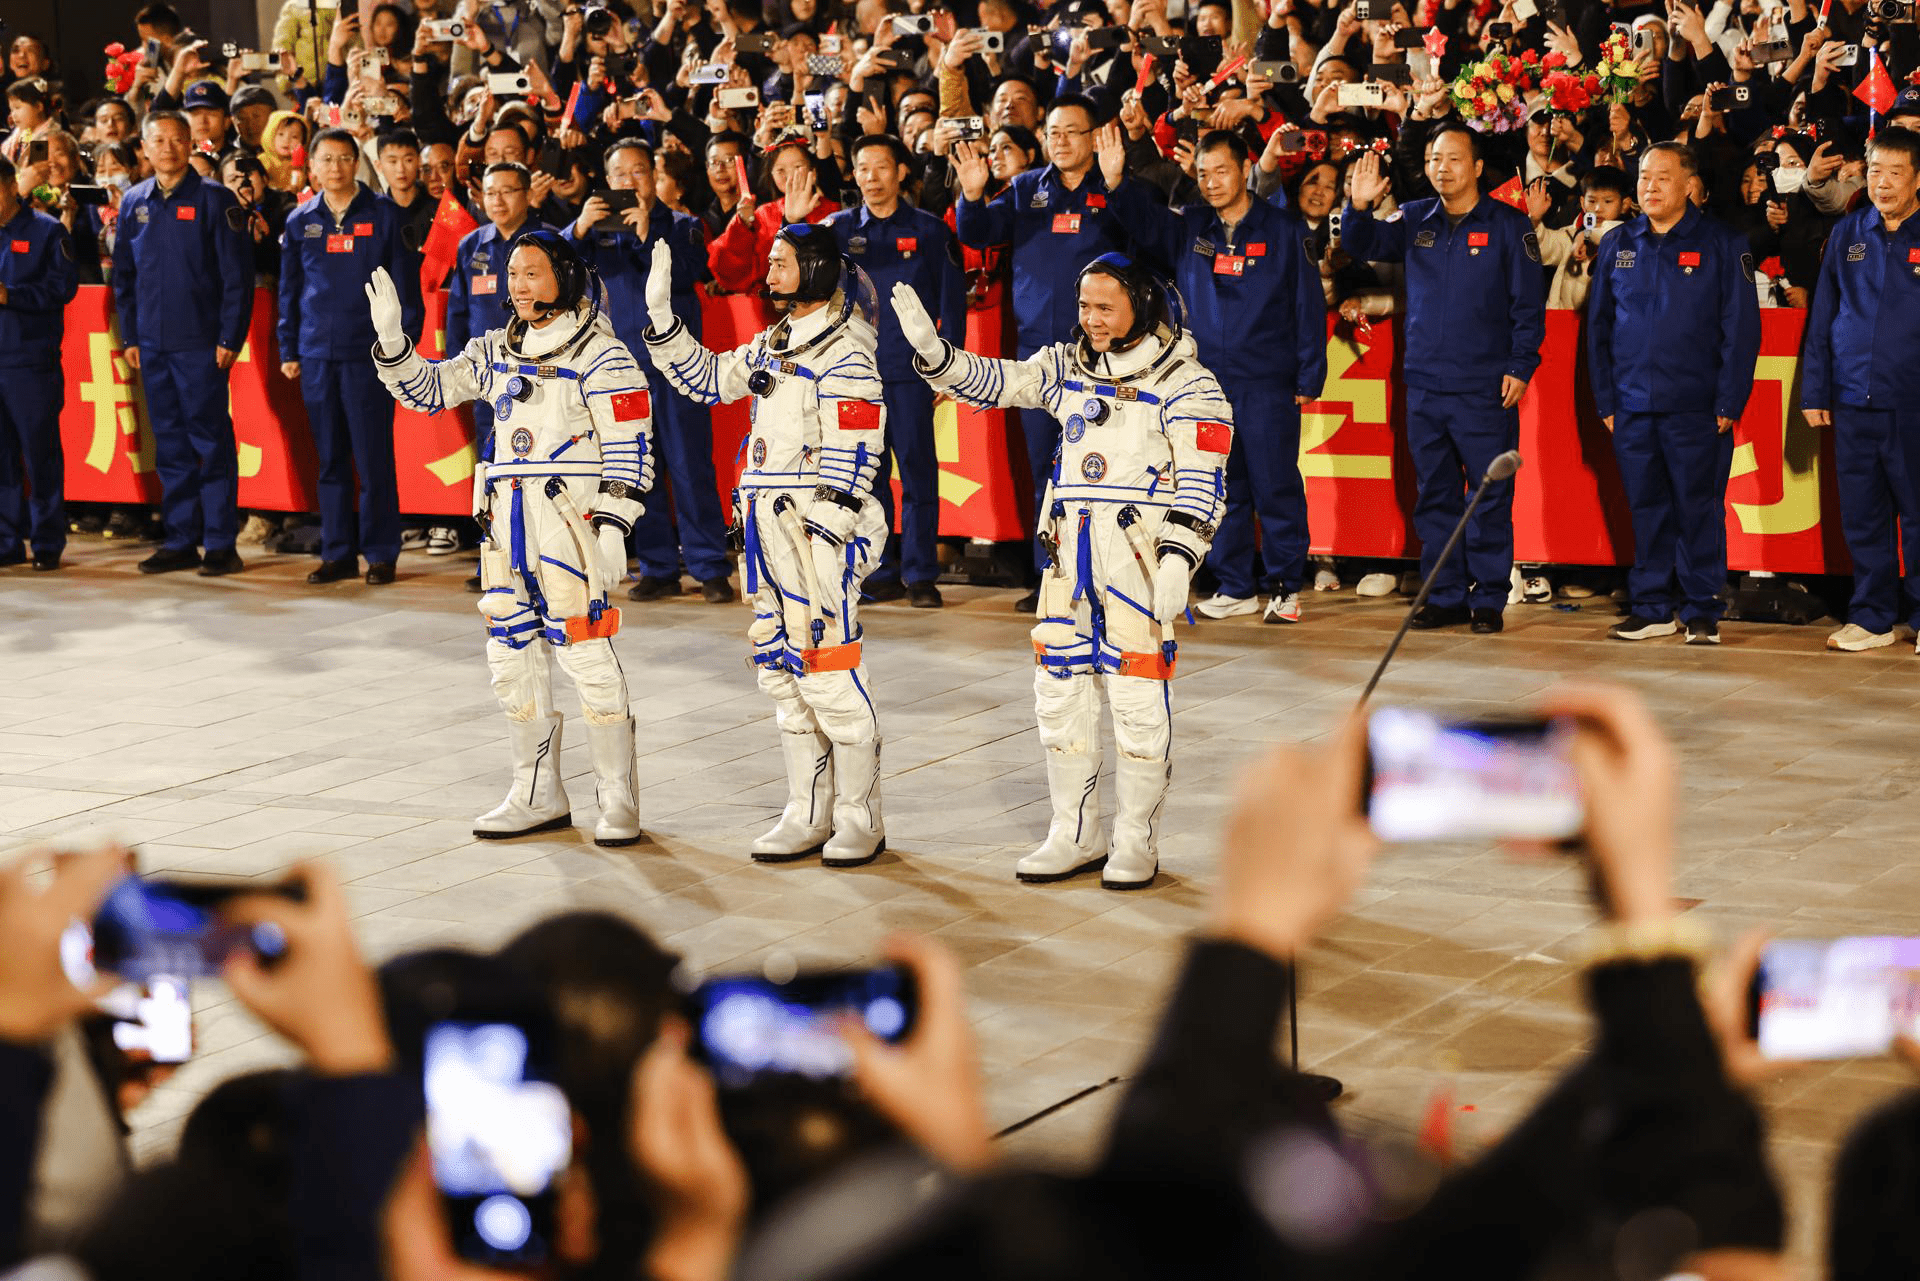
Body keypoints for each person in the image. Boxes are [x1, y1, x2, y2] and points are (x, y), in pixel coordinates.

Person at [891, 254, 1233, 890]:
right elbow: (999, 382)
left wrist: (1179, 558)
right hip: (1067, 559)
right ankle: (1073, 832)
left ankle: (1136, 840)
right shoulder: (1066, 367)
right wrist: (936, 353)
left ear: (1145, 306)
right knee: (1060, 697)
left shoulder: (1188, 384)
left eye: (1106, 307)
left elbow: (1205, 481)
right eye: (1084, 306)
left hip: (1136, 561)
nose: (1092, 320)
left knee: (1136, 702)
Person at [367, 231, 654, 846]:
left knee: (585, 652)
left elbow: (632, 448)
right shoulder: (493, 349)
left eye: (532, 273)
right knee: (511, 653)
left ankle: (617, 797)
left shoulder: (604, 355)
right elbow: (431, 390)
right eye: (512, 274)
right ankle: (535, 790)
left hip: (570, 521)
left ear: (566, 278)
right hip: (505, 519)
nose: (518, 286)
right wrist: (394, 344)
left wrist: (613, 525)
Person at [644, 226, 890, 869]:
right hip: (767, 529)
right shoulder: (772, 344)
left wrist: (831, 534)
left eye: (781, 262)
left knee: (830, 666)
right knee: (782, 669)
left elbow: (856, 452)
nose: (770, 270)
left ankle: (859, 815)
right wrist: (664, 321)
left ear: (814, 269)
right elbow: (707, 380)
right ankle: (806, 809)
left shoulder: (847, 353)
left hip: (819, 529)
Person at [1107, 128, 1328, 625]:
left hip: (1267, 380)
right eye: (1202, 173)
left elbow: (1308, 306)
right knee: (1217, 484)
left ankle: (1286, 587)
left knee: (1276, 485)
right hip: (1205, 384)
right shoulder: (1192, 226)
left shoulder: (1284, 230)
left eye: (1221, 171)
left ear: (1246, 170)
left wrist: (1308, 375)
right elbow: (1141, 220)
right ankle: (1235, 585)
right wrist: (1117, 180)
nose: (1210, 182)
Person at [1342, 123, 1547, 634]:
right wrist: (1359, 205)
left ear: (1477, 167)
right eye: (1434, 159)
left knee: (1487, 495)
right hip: (1425, 387)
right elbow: (1361, 242)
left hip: (1484, 388)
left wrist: (1520, 365)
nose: (1441, 168)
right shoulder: (1414, 219)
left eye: (1453, 159)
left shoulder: (1508, 225)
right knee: (1435, 495)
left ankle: (1489, 598)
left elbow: (1528, 305)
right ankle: (1446, 594)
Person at [952, 94, 1141, 613]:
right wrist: (971, 197)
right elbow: (978, 232)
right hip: (1040, 358)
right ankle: (1051, 578)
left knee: (1108, 469)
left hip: (1106, 356)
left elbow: (1150, 241)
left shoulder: (1113, 186)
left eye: (1071, 132)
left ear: (1095, 138)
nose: (1059, 141)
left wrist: (1120, 183)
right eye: (1052, 132)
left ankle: (1111, 578)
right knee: (1047, 472)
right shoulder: (1024, 189)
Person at [1587, 143, 1760, 648]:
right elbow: (1597, 331)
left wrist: (1728, 401)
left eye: (1663, 177)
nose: (1650, 187)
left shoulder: (1723, 243)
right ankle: (1652, 607)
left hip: (1698, 408)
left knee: (1698, 509)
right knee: (1647, 508)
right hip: (1633, 408)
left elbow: (1741, 330)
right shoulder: (1619, 242)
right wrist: (1607, 402)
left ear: (1689, 185)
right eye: (1644, 177)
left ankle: (1702, 609)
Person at [565, 138, 736, 605]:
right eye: (620, 174)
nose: (630, 181)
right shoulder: (596, 231)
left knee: (689, 466)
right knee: (636, 471)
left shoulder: (682, 225)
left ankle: (709, 566)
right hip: (618, 374)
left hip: (674, 370)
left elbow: (693, 270)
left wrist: (644, 239)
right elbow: (558, 267)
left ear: (654, 176)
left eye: (639, 171)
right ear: (607, 181)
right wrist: (578, 228)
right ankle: (658, 565)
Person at [824, 134, 966, 609]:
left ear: (901, 171)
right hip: (856, 374)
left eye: (881, 167)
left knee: (919, 471)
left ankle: (922, 573)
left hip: (910, 373)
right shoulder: (838, 230)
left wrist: (951, 366)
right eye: (862, 168)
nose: (871, 177)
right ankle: (880, 569)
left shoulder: (929, 229)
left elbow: (952, 301)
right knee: (870, 473)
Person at [111, 109, 254, 577]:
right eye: (159, 141)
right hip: (152, 346)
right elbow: (124, 279)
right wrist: (130, 336)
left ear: (190, 144)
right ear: (146, 149)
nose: (168, 148)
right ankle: (180, 539)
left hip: (202, 344)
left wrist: (230, 335)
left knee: (210, 440)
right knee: (169, 443)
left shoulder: (215, 199)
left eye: (178, 140)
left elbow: (237, 277)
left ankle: (219, 543)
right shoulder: (134, 202)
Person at [279, 127, 423, 586]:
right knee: (330, 459)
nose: (336, 168)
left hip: (370, 357)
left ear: (356, 164)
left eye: (345, 159)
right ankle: (337, 551)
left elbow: (406, 291)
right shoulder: (300, 220)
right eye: (327, 159)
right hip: (317, 354)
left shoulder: (384, 215)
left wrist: (400, 351)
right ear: (313, 166)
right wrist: (289, 347)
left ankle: (381, 553)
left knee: (373, 457)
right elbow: (290, 291)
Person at [1802, 125, 1920, 655]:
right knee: (1864, 514)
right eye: (1875, 171)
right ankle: (1872, 616)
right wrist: (1815, 391)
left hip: (1912, 401)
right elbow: (1824, 314)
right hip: (1853, 400)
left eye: (1896, 172)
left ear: (1917, 178)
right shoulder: (1849, 232)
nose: (1884, 182)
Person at [0, 153, 79, 572]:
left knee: (40, 454)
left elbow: (63, 288)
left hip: (30, 363)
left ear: (12, 185)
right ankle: (6, 540)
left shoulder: (46, 231)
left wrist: (11, 296)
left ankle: (48, 541)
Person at [448, 162, 549, 458]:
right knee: (491, 459)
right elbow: (458, 313)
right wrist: (458, 369)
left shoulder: (550, 241)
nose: (498, 201)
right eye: (491, 193)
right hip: (488, 374)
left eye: (507, 191)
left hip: (541, 371)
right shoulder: (471, 245)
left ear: (528, 194)